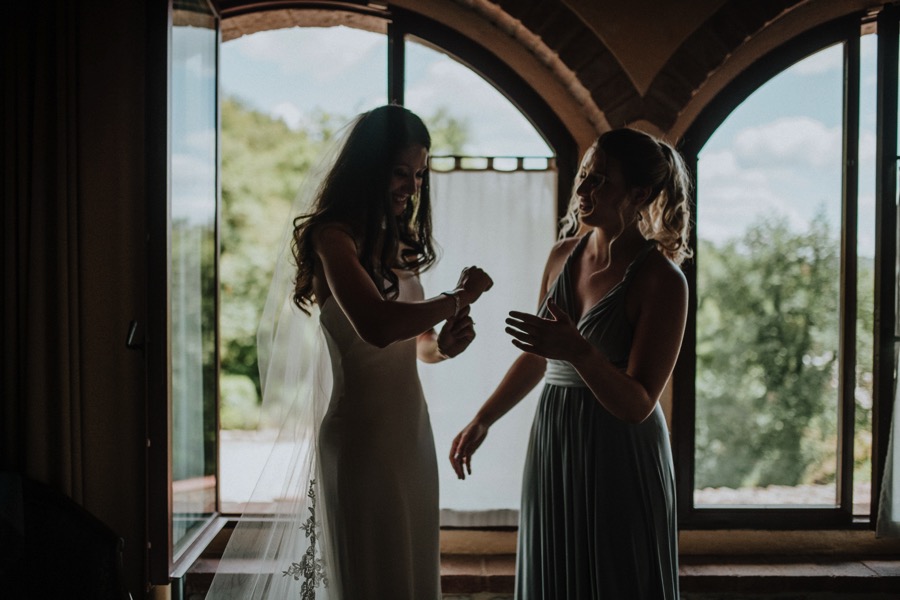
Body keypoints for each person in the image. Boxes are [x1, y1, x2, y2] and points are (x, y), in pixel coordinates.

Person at [206, 105, 492, 600]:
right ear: (368, 170)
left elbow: (413, 347)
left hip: (410, 436)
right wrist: (457, 299)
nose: (412, 186)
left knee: (412, 572)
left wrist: (443, 346)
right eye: (400, 172)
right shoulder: (331, 237)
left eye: (419, 174)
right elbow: (376, 327)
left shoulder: (395, 242)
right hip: (361, 440)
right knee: (371, 578)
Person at [449, 127, 691, 599]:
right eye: (585, 175)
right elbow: (538, 358)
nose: (582, 190)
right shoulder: (562, 256)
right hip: (555, 439)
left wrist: (579, 350)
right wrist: (483, 419)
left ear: (638, 194)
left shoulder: (662, 280)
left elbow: (639, 403)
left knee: (617, 577)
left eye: (601, 181)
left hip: (620, 453)